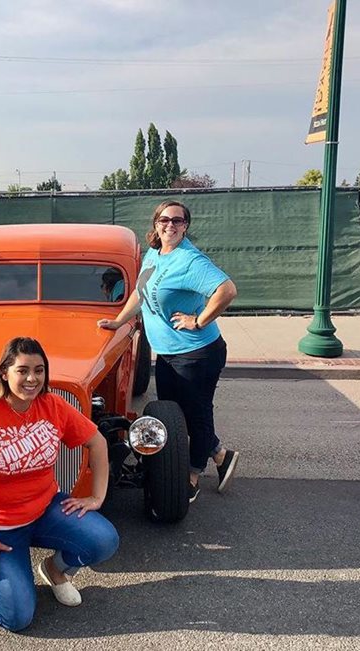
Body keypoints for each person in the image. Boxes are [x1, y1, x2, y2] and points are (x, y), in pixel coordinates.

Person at [0, 337, 119, 632]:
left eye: (39, 370)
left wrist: (96, 497)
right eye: (22, 370)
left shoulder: (53, 405)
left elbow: (97, 442)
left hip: (43, 509)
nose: (32, 378)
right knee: (16, 617)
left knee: (104, 539)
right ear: (4, 373)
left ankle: (55, 570)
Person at [98, 200, 239, 504]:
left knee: (196, 416)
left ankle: (192, 473)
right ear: (156, 223)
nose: (171, 226)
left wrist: (198, 320)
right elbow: (140, 291)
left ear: (186, 226)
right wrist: (120, 320)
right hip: (167, 354)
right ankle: (221, 455)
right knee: (175, 414)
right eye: (165, 220)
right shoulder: (155, 253)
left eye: (178, 221)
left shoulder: (189, 260)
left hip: (197, 353)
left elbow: (226, 290)